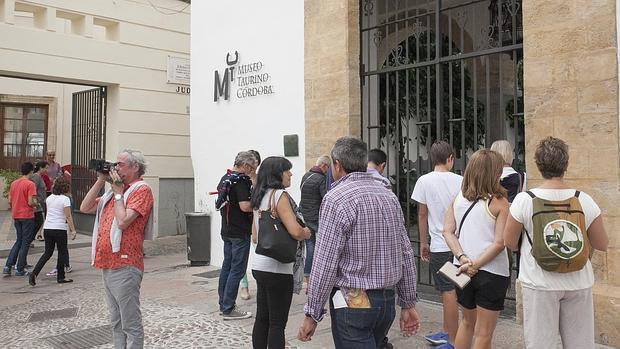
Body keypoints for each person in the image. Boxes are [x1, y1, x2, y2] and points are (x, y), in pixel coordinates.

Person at [299, 137, 421, 348]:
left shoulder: (336, 198)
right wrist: (408, 302)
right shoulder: (387, 195)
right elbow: (406, 252)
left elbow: (325, 262)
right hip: (385, 300)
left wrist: (312, 313)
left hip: (353, 301)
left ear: (337, 164)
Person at [504, 137, 608, 349]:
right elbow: (602, 243)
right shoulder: (583, 199)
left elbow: (509, 241)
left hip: (539, 283)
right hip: (578, 282)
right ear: (566, 164)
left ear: (538, 165)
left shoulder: (525, 200)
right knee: (580, 345)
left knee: (541, 345)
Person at [80, 149, 154, 349]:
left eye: (120, 164)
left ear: (134, 167)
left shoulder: (140, 190)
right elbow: (85, 207)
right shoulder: (114, 192)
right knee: (116, 321)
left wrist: (119, 194)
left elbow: (122, 222)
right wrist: (100, 180)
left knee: (130, 323)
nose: (115, 168)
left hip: (126, 263)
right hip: (108, 263)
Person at [442, 149, 510, 349]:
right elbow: (499, 243)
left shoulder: (458, 198)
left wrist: (463, 259)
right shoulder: (499, 203)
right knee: (484, 333)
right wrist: (476, 264)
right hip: (492, 271)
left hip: (461, 270)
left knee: (467, 323)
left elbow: (447, 231)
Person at [250, 156, 311, 349]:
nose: (290, 174)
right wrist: (306, 232)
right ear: (277, 173)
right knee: (277, 324)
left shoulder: (259, 195)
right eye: (287, 170)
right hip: (278, 267)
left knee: (262, 319)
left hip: (260, 264)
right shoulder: (279, 196)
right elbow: (295, 231)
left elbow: (254, 236)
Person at [410, 141, 462, 347]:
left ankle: (452, 338)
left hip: (439, 245)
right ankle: (448, 330)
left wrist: (424, 242)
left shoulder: (424, 181)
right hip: (458, 245)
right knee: (454, 289)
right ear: (450, 158)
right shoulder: (461, 179)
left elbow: (422, 214)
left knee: (447, 291)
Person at [216, 151, 258, 320]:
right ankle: (228, 308)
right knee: (237, 269)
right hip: (239, 231)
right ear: (246, 166)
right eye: (252, 168)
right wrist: (258, 202)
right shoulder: (240, 182)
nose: (253, 171)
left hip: (227, 230)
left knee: (227, 268)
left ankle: (223, 304)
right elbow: (245, 206)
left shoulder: (225, 178)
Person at [29, 178, 76, 286]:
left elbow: (48, 213)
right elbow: (68, 216)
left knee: (47, 253)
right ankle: (61, 277)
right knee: (62, 252)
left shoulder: (49, 198)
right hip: (59, 228)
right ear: (65, 187)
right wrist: (73, 230)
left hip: (48, 228)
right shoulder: (65, 199)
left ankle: (34, 273)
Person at [299, 155, 330, 285]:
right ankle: (319, 276)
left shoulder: (306, 176)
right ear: (324, 166)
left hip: (304, 216)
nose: (328, 172)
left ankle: (308, 277)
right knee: (322, 247)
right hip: (315, 218)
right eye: (328, 168)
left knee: (310, 246)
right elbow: (326, 199)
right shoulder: (321, 179)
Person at [3, 162, 38, 276]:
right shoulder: (30, 184)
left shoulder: (14, 183)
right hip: (27, 216)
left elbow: (10, 200)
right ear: (31, 171)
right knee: (25, 242)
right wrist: (36, 204)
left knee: (19, 240)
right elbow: (30, 202)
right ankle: (20, 268)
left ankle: (8, 266)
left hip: (16, 215)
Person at [238, 150, 261, 301]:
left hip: (257, 222)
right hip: (242, 222)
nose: (254, 168)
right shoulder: (239, 180)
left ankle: (262, 285)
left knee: (260, 255)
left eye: (256, 165)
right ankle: (244, 286)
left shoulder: (259, 179)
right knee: (241, 257)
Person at [31, 161, 48, 243]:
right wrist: (35, 203)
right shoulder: (36, 177)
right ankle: (29, 239)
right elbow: (32, 190)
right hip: (36, 204)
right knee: (39, 220)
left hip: (40, 203)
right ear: (41, 168)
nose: (46, 170)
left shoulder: (40, 177)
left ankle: (30, 239)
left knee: (39, 221)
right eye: (46, 168)